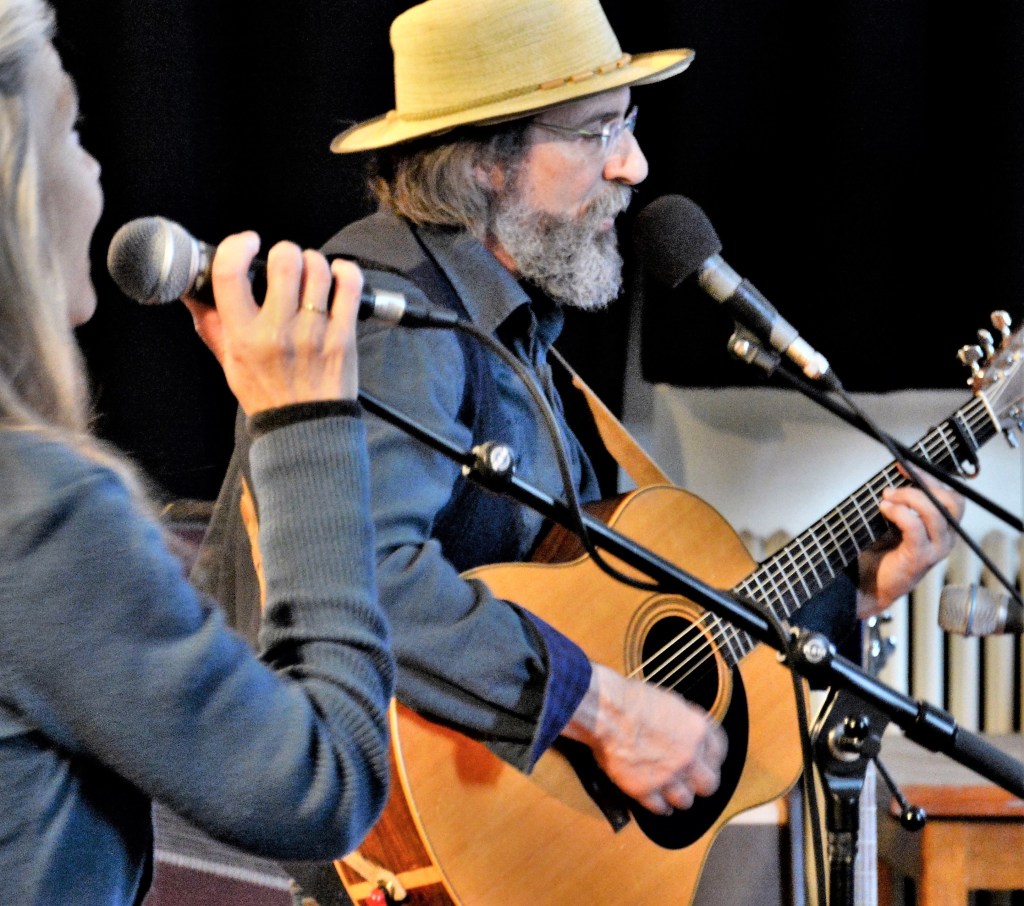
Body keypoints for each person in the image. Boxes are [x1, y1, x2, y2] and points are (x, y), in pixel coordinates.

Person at [201, 0, 963, 849]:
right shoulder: (393, 318)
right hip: (344, 854)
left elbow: (628, 641)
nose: (634, 164)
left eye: (627, 124)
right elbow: (363, 578)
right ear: (487, 161)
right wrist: (604, 711)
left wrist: (853, 590)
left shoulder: (507, 329)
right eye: (600, 131)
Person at [0, 1, 396, 903]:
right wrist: (306, 423)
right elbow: (326, 784)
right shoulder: (38, 511)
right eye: (73, 132)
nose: (94, 174)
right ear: (14, 192)